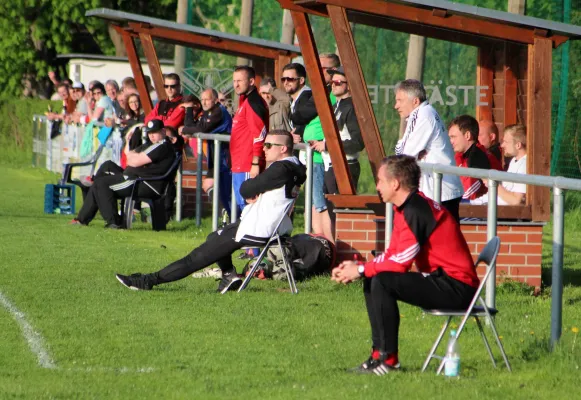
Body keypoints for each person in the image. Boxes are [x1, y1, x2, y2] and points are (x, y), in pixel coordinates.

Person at [331, 155, 479, 375]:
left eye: (380, 180)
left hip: (458, 288)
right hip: (443, 280)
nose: (377, 186)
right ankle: (378, 355)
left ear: (395, 183)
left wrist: (361, 269)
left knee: (382, 280)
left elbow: (400, 264)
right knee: (375, 277)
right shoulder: (408, 206)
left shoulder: (415, 210)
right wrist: (361, 268)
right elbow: (393, 254)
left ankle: (389, 361)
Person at [115, 130, 306, 294]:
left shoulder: (281, 168)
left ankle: (148, 281)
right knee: (214, 236)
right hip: (274, 225)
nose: (264, 148)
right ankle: (229, 275)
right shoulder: (296, 166)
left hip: (258, 227)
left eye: (269, 145)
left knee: (196, 258)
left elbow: (246, 189)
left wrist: (254, 186)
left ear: (283, 149)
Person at [70, 119, 177, 228]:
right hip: (135, 177)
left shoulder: (161, 146)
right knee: (107, 166)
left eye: (155, 132)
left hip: (143, 183)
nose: (152, 136)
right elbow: (128, 155)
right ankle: (84, 216)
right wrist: (129, 144)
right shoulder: (152, 144)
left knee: (101, 184)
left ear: (163, 132)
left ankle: (113, 222)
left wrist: (134, 159)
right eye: (149, 133)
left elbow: (133, 161)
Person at [394, 79, 464, 221]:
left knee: (441, 240)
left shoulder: (422, 114)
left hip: (440, 192)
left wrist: (414, 155)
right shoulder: (425, 113)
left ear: (415, 101)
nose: (396, 106)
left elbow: (403, 155)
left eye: (400, 100)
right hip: (440, 191)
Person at [180, 88, 233, 213]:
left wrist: (186, 129)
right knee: (210, 185)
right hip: (215, 156)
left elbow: (201, 129)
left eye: (207, 100)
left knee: (218, 187)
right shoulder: (207, 112)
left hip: (224, 157)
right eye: (202, 99)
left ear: (215, 100)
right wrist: (188, 110)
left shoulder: (218, 112)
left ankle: (227, 212)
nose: (203, 102)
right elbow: (191, 127)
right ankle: (225, 213)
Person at [230, 65, 269, 214]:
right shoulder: (244, 101)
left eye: (240, 80)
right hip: (239, 164)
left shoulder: (253, 102)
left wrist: (255, 163)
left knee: (249, 207)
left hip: (248, 165)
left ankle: (250, 237)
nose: (236, 84)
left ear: (251, 81)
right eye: (234, 81)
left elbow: (259, 134)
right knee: (242, 206)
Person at [448, 115, 493, 201]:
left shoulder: (477, 157)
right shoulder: (462, 155)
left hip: (480, 209)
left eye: (453, 137)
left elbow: (469, 194)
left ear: (467, 135)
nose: (451, 141)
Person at [480, 124, 528, 206]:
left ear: (518, 145)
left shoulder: (524, 165)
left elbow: (516, 200)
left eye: (506, 142)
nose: (502, 145)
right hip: (485, 204)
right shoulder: (514, 161)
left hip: (493, 211)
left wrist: (492, 183)